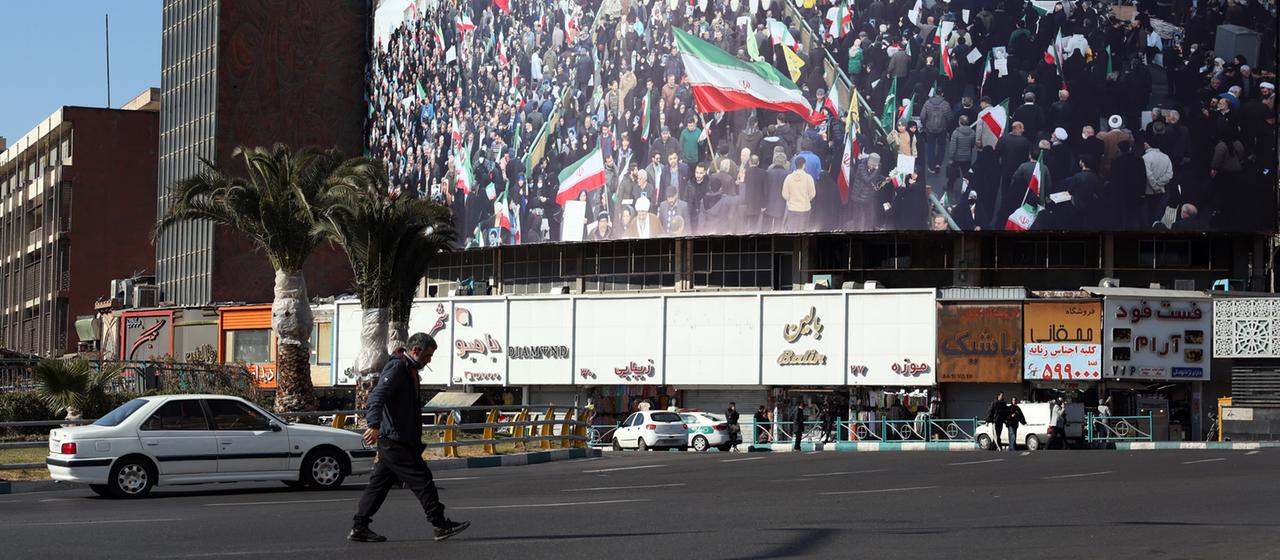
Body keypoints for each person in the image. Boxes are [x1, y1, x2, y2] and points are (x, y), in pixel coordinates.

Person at [350, 333, 470, 543]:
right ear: (415, 350)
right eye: (428, 355)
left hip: (397, 440)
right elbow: (377, 396)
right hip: (395, 441)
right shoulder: (397, 368)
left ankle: (359, 527)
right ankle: (440, 525)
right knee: (423, 481)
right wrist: (374, 425)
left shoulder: (408, 369)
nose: (429, 360)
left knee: (378, 486)